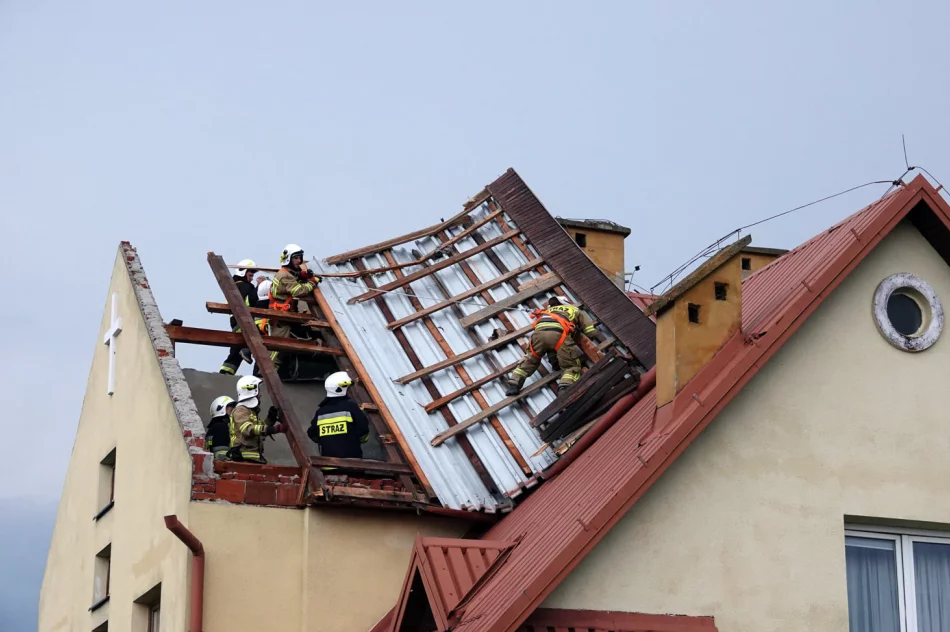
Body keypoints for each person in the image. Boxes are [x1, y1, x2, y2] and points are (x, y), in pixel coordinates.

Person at [504, 295, 603, 396]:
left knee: (530, 358)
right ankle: (565, 387)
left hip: (538, 335)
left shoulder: (546, 312)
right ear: (565, 302)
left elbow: (545, 334)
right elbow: (589, 330)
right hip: (559, 335)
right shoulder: (574, 309)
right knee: (570, 365)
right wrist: (593, 337)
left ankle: (514, 384)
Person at [267, 244, 322, 373]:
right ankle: (268, 374)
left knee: (294, 342)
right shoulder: (284, 276)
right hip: (281, 317)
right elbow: (298, 291)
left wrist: (303, 276)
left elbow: (294, 278)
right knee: (278, 348)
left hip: (287, 315)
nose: (299, 261)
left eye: (300, 258)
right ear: (288, 259)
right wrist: (313, 281)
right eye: (296, 258)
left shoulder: (288, 273)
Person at [307, 371, 370, 459]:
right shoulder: (350, 407)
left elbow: (312, 433)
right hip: (353, 465)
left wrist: (328, 440)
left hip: (328, 466)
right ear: (341, 389)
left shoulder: (321, 412)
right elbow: (363, 430)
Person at [227, 376, 286, 463]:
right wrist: (273, 430)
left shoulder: (250, 411)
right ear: (250, 391)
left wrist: (270, 419)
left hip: (253, 457)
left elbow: (258, 429)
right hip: (243, 458)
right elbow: (247, 429)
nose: (260, 394)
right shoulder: (240, 410)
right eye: (258, 391)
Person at [219, 259, 258, 375]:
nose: (252, 278)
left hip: (235, 322)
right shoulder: (245, 287)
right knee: (250, 342)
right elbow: (253, 302)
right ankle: (246, 351)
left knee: (236, 351)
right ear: (243, 272)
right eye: (250, 275)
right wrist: (260, 288)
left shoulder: (233, 286)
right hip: (243, 321)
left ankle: (225, 372)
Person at [205, 396, 235, 460]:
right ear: (221, 408)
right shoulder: (220, 427)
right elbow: (222, 456)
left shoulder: (213, 428)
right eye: (231, 409)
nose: (234, 411)